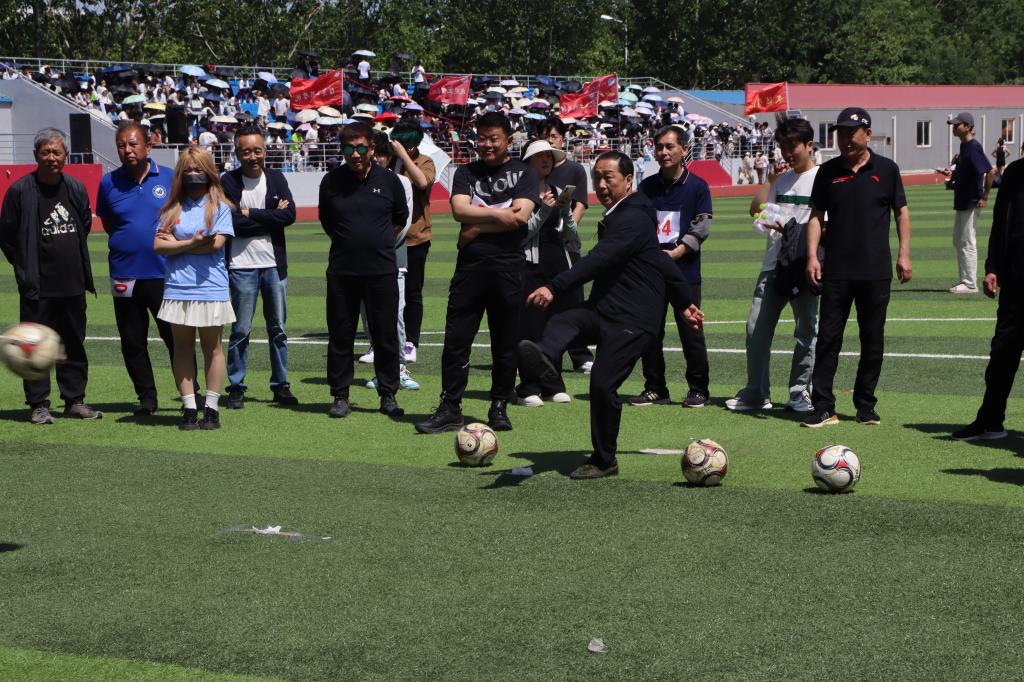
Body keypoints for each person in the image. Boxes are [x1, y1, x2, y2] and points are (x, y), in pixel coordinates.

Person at [517, 151, 703, 479]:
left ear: (629, 180)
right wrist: (684, 301)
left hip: (634, 321)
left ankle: (605, 461)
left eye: (609, 178)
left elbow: (600, 259)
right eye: (597, 178)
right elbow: (660, 261)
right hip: (606, 311)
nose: (601, 185)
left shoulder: (631, 219)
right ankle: (544, 361)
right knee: (564, 320)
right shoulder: (626, 214)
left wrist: (554, 287)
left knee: (602, 385)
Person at [415, 112, 538, 434]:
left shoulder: (524, 172)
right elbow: (459, 210)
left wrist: (476, 227)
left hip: (508, 268)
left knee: (504, 342)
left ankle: (499, 406)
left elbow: (520, 217)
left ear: (508, 140)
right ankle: (450, 407)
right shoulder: (466, 172)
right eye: (482, 138)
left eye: (494, 138)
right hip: (470, 269)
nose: (487, 144)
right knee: (456, 340)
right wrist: (498, 216)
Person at [802, 107, 912, 428]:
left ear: (867, 133)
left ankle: (865, 405)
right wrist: (812, 256)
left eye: (852, 133)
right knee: (828, 339)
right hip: (836, 269)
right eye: (841, 134)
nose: (846, 139)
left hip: (875, 270)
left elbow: (901, 212)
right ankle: (823, 406)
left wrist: (904, 254)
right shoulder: (827, 171)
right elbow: (815, 216)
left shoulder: (887, 170)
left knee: (873, 340)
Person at [0, 128, 101, 424]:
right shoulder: (20, 190)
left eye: (57, 152)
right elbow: (6, 234)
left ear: (66, 155)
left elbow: (83, 223)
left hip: (72, 283)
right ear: (36, 155)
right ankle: (38, 404)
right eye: (46, 152)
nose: (51, 157)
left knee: (73, 344)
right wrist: (23, 266)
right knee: (32, 346)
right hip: (37, 286)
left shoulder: (75, 188)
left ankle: (74, 400)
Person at [726, 114, 818, 413]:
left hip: (804, 266)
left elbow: (826, 223)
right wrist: (769, 181)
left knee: (806, 332)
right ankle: (756, 393)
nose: (788, 153)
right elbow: (756, 210)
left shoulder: (822, 179)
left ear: (809, 145)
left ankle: (800, 392)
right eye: (784, 147)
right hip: (774, 264)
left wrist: (797, 235)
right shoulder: (782, 179)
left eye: (794, 146)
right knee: (756, 329)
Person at [318, 122, 410, 419]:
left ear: (371, 148)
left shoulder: (390, 180)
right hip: (342, 271)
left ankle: (388, 393)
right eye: (348, 148)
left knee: (385, 335)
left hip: (381, 270)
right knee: (340, 334)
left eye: (360, 147)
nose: (355, 154)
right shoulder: (331, 181)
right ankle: (340, 395)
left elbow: (399, 218)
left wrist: (375, 242)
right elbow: (327, 221)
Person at [96, 121, 177, 416]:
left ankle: (189, 394)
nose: (127, 150)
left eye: (133, 144)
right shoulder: (108, 183)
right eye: (121, 145)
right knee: (132, 341)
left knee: (175, 339)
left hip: (163, 273)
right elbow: (109, 224)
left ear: (148, 146)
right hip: (124, 274)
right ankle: (147, 398)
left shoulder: (169, 177)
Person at [628, 125, 712, 408]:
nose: (663, 152)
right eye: (659, 147)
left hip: (685, 272)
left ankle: (699, 389)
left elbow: (702, 227)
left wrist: (677, 252)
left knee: (691, 331)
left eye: (670, 146)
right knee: (650, 331)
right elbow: (638, 223)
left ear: (684, 150)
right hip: (652, 273)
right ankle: (655, 388)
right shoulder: (647, 186)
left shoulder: (698, 186)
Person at [153, 147, 236, 430]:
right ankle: (189, 407)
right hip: (178, 287)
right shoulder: (171, 208)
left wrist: (177, 245)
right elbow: (158, 246)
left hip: (211, 287)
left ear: (209, 172)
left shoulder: (220, 207)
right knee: (182, 348)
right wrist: (191, 243)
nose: (193, 174)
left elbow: (215, 245)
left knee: (212, 348)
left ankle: (211, 408)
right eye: (187, 170)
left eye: (198, 169)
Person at [220, 125, 298, 409]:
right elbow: (231, 223)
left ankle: (281, 385)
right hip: (240, 266)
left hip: (273, 265)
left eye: (257, 150)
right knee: (241, 329)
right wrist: (269, 217)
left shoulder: (276, 178)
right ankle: (236, 385)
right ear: (237, 152)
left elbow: (289, 216)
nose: (253, 156)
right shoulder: (228, 181)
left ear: (265, 150)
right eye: (246, 152)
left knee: (278, 328)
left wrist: (249, 212)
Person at [952, 155, 1024, 441]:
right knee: (1002, 355)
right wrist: (992, 266)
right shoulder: (1016, 173)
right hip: (1016, 283)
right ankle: (991, 421)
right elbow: (1001, 223)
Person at [517, 139, 579, 406]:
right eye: (539, 156)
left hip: (557, 265)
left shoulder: (556, 191)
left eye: (549, 157)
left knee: (555, 328)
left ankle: (553, 384)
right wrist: (544, 210)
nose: (546, 160)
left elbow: (570, 234)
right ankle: (529, 387)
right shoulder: (522, 193)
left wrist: (565, 211)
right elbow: (522, 232)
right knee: (531, 327)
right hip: (531, 267)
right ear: (527, 161)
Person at [362, 130, 419, 392]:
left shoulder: (401, 182)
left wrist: (377, 244)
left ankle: (399, 369)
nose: (377, 158)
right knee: (369, 318)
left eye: (383, 154)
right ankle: (382, 370)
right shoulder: (354, 181)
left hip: (392, 258)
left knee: (394, 315)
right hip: (360, 261)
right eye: (374, 153)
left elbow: (403, 224)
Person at [541, 117, 595, 373]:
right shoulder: (535, 169)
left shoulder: (574, 170)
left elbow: (581, 204)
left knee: (572, 298)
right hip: (540, 243)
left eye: (553, 136)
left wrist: (567, 228)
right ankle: (544, 353)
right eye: (545, 136)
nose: (549, 140)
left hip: (567, 242)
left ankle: (580, 354)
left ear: (562, 139)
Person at [393, 121, 436, 364]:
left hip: (416, 237)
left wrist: (404, 157)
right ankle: (383, 339)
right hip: (389, 237)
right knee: (385, 291)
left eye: (407, 144)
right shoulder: (388, 161)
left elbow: (422, 183)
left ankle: (411, 341)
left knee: (412, 292)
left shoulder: (424, 162)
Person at [947, 112, 994, 294]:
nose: (954, 127)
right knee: (958, 240)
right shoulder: (964, 146)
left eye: (957, 124)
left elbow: (989, 171)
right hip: (962, 201)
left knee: (967, 241)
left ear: (968, 127)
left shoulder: (973, 147)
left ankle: (970, 284)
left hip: (971, 201)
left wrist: (985, 197)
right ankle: (965, 280)